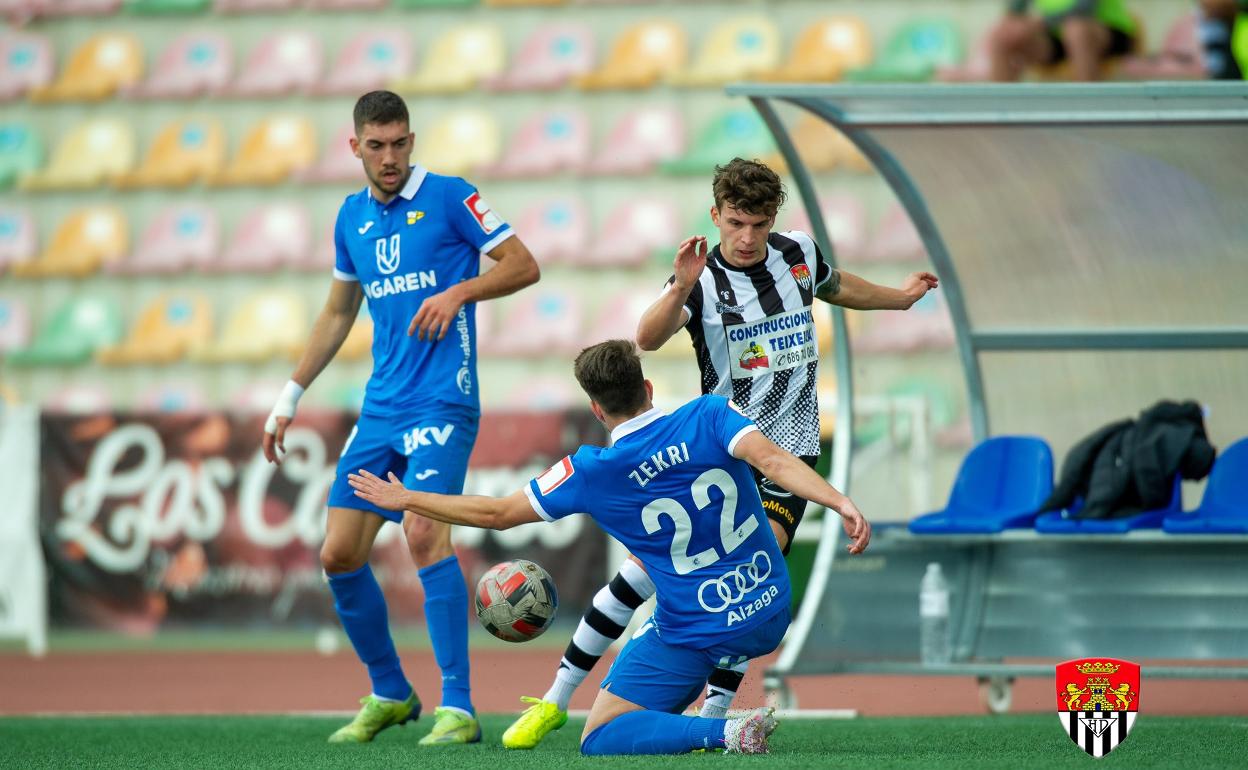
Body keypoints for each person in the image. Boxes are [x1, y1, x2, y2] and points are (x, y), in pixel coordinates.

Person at [502, 158, 936, 749]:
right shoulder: (701, 280)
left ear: (773, 219)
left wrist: (899, 299)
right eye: (736, 223)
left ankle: (718, 713)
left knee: (752, 570)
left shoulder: (798, 254)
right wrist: (680, 283)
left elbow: (836, 286)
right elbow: (646, 338)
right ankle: (556, 700)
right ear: (716, 216)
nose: (748, 237)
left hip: (790, 452)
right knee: (642, 576)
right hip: (721, 453)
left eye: (759, 224)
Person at [348, 340, 871, 755]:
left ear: (597, 409)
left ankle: (723, 733)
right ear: (647, 386)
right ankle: (714, 704)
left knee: (601, 735)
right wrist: (840, 502)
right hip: (774, 610)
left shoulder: (590, 471)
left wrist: (407, 496)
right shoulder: (711, 415)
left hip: (699, 629)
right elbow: (776, 461)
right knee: (648, 574)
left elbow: (497, 514)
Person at [261, 90, 540, 744]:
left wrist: (460, 291)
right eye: (377, 146)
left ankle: (460, 708)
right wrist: (290, 394)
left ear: (413, 141)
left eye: (401, 143)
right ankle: (390, 691)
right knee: (338, 553)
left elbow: (524, 263)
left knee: (422, 531)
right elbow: (337, 312)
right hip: (381, 408)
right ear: (354, 146)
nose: (390, 157)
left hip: (444, 399)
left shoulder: (450, 196)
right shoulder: (350, 218)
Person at [988, 0, 1139, 82]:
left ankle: (1086, 105)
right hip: (1058, 37)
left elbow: (1084, 9)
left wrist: (1037, 23)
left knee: (1076, 30)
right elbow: (1015, 11)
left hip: (1107, 31)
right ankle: (1001, 107)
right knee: (1002, 34)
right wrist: (1015, 27)